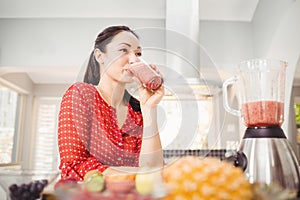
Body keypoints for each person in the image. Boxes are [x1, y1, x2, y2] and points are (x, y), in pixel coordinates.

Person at [57, 25, 165, 181]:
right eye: (123, 50)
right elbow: (74, 165)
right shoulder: (81, 94)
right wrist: (135, 175)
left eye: (138, 53)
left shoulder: (137, 112)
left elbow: (153, 172)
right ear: (100, 56)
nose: (134, 59)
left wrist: (149, 108)